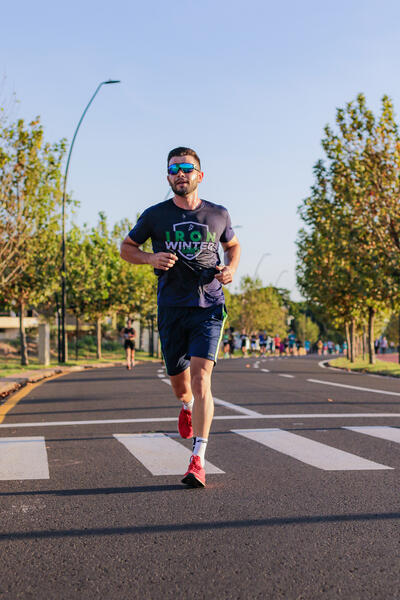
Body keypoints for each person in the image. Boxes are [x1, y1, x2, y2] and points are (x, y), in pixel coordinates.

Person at [120, 147, 241, 488]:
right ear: (168, 176)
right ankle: (186, 406)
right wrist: (149, 258)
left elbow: (233, 246)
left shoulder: (218, 214)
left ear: (199, 176)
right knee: (181, 385)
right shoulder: (155, 215)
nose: (180, 173)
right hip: (172, 307)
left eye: (187, 168)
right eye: (173, 169)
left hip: (209, 305)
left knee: (203, 379)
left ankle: (197, 459)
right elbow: (126, 248)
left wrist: (230, 270)